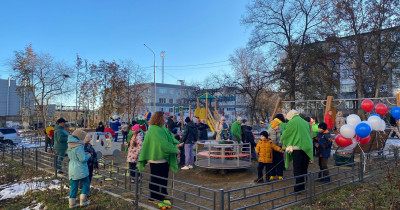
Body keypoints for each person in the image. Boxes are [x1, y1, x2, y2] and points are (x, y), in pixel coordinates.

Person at [138, 111, 182, 204]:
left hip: (162, 158)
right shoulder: (154, 129)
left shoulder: (160, 128)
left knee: (163, 177)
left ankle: (163, 193)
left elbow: (169, 137)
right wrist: (174, 150)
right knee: (156, 178)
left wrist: (175, 144)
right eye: (163, 117)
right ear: (159, 118)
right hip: (156, 158)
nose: (165, 119)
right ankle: (153, 197)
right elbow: (163, 144)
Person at [280, 110, 313, 193]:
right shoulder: (305, 122)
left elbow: (286, 134)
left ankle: (298, 189)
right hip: (307, 148)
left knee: (297, 169)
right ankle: (303, 187)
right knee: (304, 168)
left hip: (297, 149)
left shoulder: (292, 122)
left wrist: (284, 142)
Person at [68, 129, 91, 208]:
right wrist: (88, 156)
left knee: (74, 186)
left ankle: (72, 204)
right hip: (80, 168)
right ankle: (83, 202)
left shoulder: (70, 144)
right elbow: (82, 159)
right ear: (80, 137)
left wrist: (84, 153)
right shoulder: (79, 146)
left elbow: (75, 155)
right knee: (86, 183)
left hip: (72, 167)